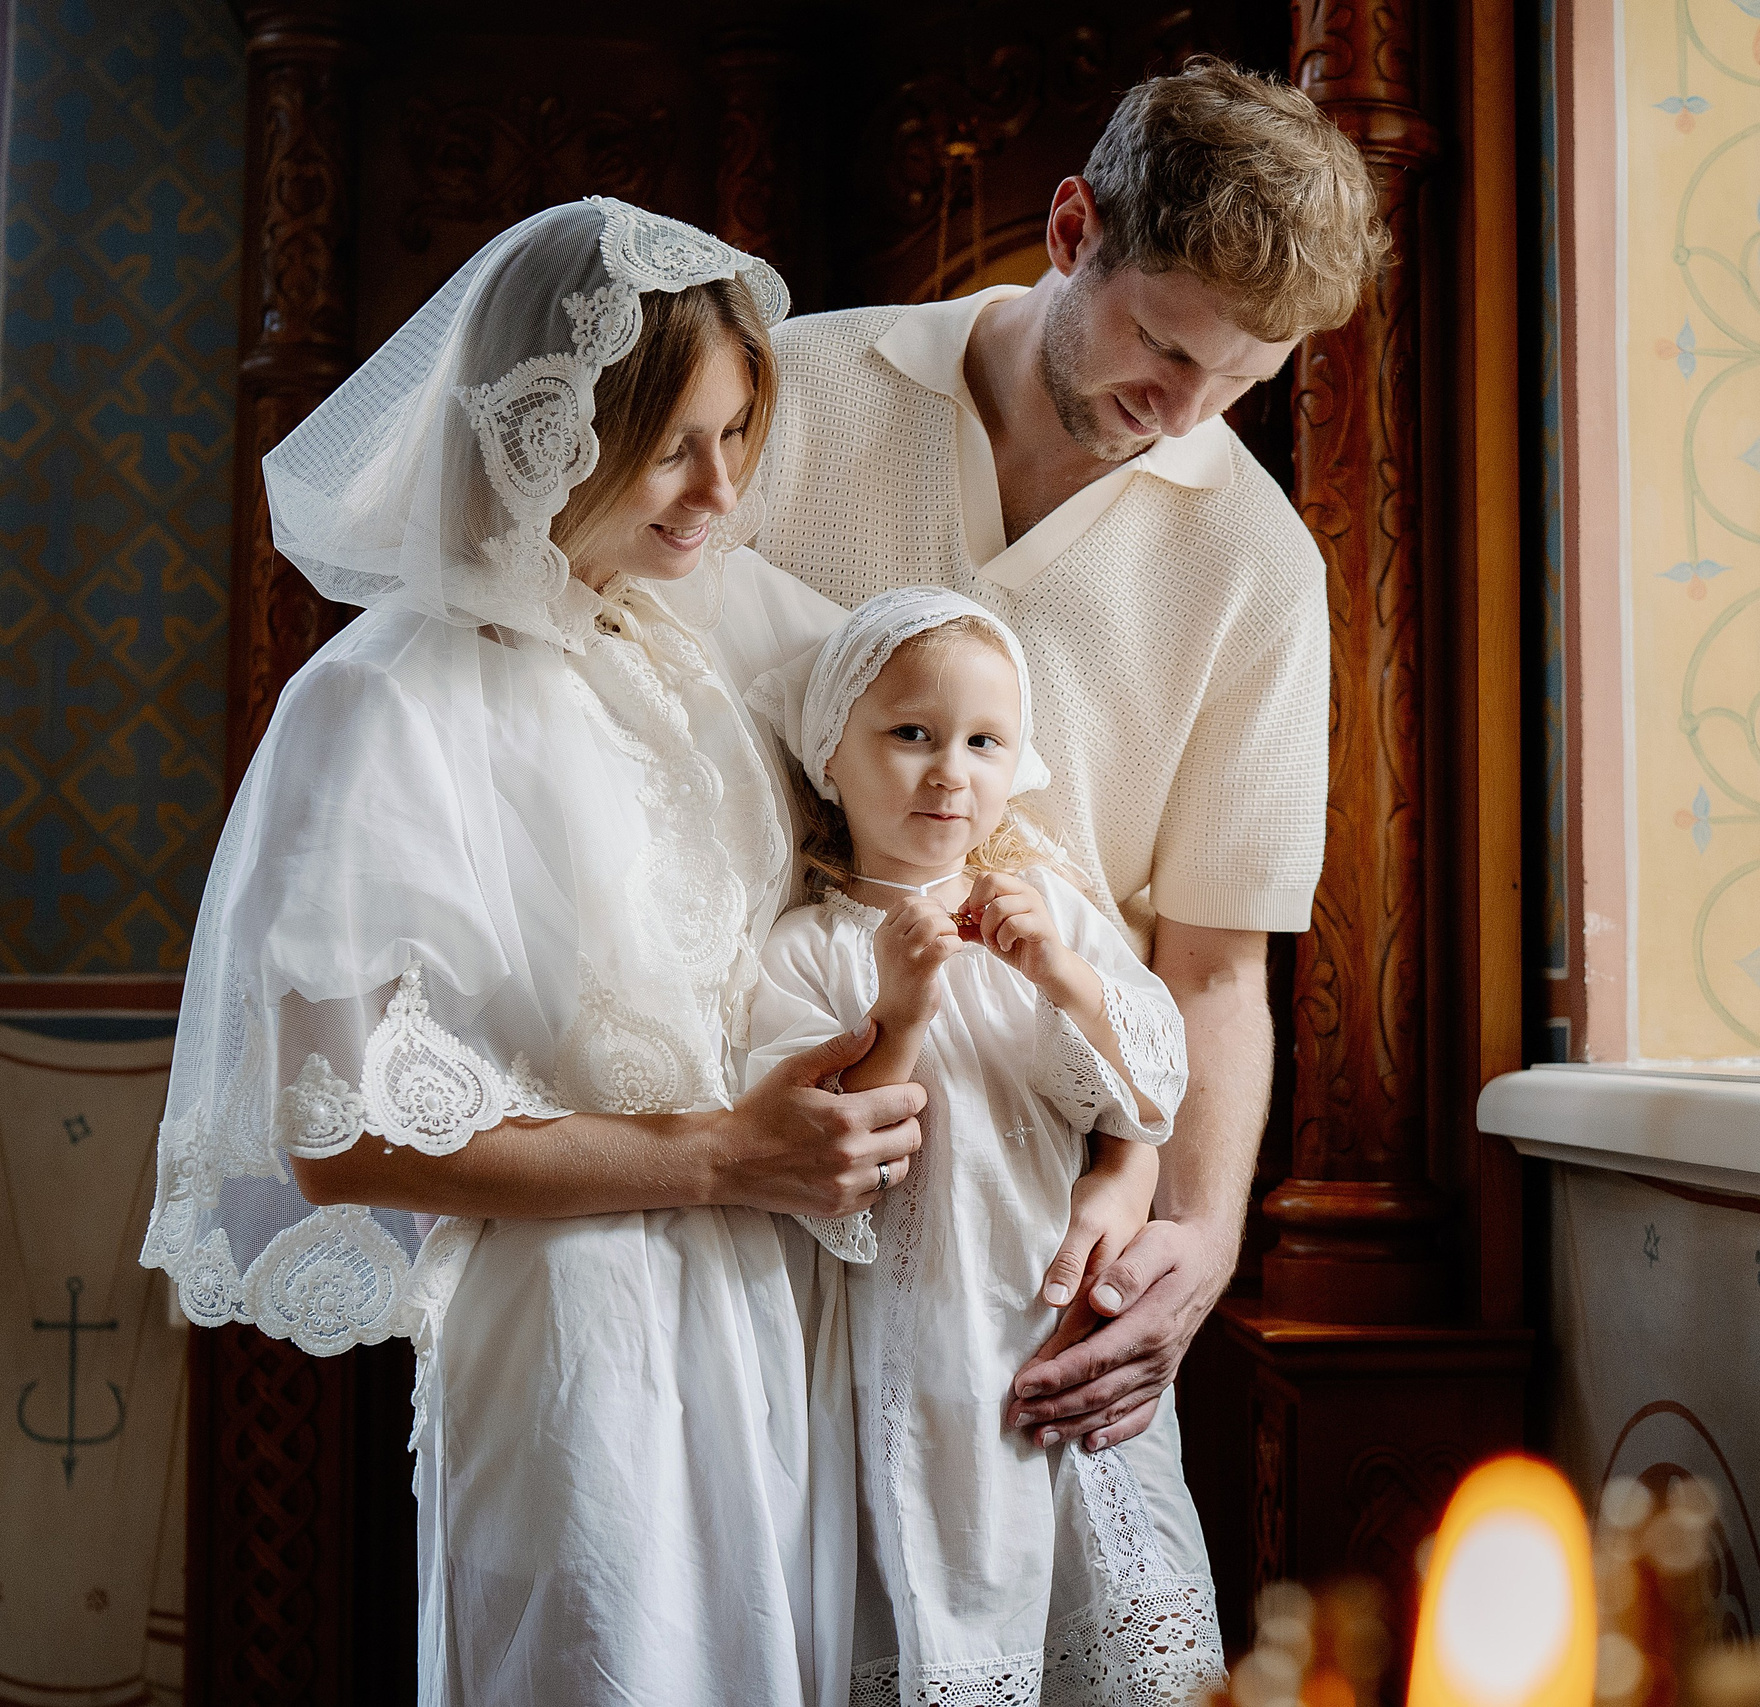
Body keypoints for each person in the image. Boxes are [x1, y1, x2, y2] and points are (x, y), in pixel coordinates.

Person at [140, 199, 923, 1707]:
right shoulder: (383, 704)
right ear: (548, 422)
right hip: (579, 1338)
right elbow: (342, 1131)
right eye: (675, 442)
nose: (718, 493)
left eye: (740, 435)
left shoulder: (686, 646)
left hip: (771, 1312)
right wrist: (717, 1155)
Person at [753, 56, 1390, 1461]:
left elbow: (1219, 963)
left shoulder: (1260, 564)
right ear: (1069, 231)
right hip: (742, 1156)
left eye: (1245, 378)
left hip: (1027, 1233)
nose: (1188, 408)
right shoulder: (785, 397)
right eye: (1166, 348)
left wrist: (1203, 1233)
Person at [743, 588, 1217, 1704]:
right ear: (830, 756)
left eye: (982, 742)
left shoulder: (1043, 906)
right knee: (945, 1553)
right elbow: (830, 1173)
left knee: (1106, 1570)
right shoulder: (809, 949)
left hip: (1056, 1315)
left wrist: (1059, 973)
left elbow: (1147, 1091)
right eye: (910, 734)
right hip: (920, 1336)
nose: (948, 770)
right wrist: (899, 1010)